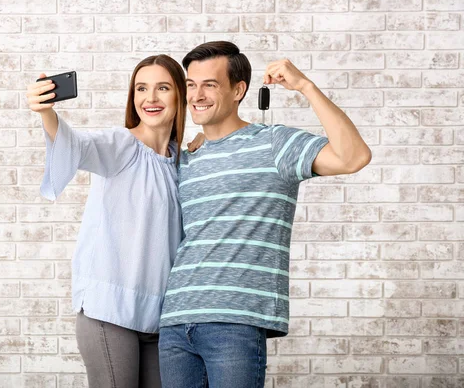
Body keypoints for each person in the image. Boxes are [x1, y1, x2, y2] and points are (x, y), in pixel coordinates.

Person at [158, 41, 372, 388]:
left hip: (236, 320)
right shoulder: (187, 157)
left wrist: (306, 87)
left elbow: (354, 157)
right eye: (190, 84)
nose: (196, 94)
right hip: (176, 320)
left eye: (209, 84)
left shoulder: (273, 144)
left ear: (238, 90)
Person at [27, 54, 187, 388]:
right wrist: (47, 113)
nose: (150, 98)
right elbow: (78, 146)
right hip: (108, 311)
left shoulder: (181, 164)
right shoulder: (122, 145)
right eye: (141, 88)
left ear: (180, 96)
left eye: (162, 88)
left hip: (160, 319)